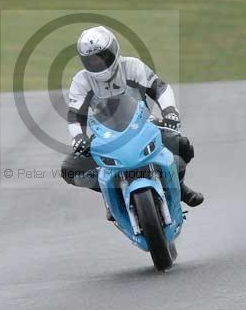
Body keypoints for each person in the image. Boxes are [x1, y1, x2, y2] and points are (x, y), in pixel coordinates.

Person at [59, 25, 204, 207]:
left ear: (114, 49)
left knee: (183, 146)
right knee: (69, 171)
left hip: (143, 125)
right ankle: (112, 194)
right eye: (92, 60)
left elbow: (160, 88)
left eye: (102, 57)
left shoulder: (132, 66)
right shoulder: (81, 81)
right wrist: (79, 137)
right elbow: (75, 115)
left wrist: (170, 111)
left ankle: (180, 188)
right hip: (105, 136)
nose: (98, 63)